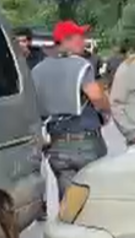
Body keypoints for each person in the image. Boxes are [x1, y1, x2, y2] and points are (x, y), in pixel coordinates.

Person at [31, 20, 110, 197]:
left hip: (56, 145)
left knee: (69, 201)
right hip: (86, 143)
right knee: (94, 198)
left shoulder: (37, 70)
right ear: (65, 40)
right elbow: (96, 96)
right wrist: (106, 110)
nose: (83, 41)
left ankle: (68, 224)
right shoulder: (80, 65)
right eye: (79, 37)